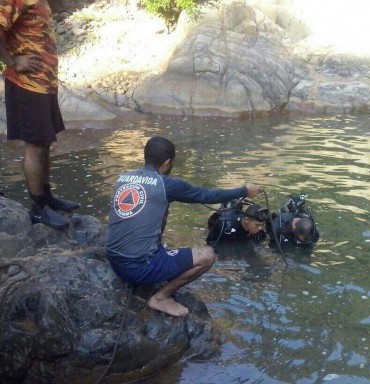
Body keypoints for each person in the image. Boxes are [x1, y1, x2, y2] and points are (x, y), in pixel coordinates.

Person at [106, 136, 262, 317]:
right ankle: (161, 298)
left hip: (114, 260)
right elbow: (207, 196)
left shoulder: (123, 177)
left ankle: (156, 261)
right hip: (138, 268)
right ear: (167, 162)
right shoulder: (166, 184)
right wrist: (244, 191)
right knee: (207, 255)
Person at [0, 0, 79, 229]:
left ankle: (47, 198)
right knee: (35, 144)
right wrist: (13, 61)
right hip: (26, 84)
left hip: (44, 84)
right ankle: (38, 209)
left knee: (44, 142)